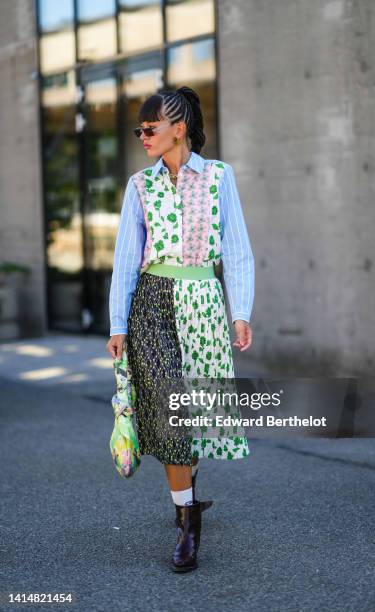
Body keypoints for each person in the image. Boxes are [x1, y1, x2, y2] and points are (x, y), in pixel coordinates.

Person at [106, 85, 255, 572]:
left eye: (150, 129)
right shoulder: (139, 185)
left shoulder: (218, 177)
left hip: (203, 301)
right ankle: (188, 522)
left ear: (179, 128)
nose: (142, 137)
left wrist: (241, 312)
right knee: (170, 411)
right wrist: (116, 323)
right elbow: (126, 258)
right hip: (150, 301)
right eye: (139, 130)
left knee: (197, 411)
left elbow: (235, 248)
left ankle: (186, 489)